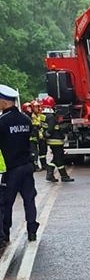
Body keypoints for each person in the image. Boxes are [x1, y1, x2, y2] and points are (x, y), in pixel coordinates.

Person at [0, 84, 39, 246]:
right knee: (29, 199)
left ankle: (5, 234)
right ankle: (32, 231)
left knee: (5, 203)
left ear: (4, 102)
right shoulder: (26, 119)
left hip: (11, 169)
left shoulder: (2, 121)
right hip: (27, 166)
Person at [40, 96, 74, 183]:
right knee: (59, 158)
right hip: (56, 141)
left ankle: (54, 175)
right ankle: (60, 175)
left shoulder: (43, 116)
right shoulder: (51, 116)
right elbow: (51, 129)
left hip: (52, 141)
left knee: (57, 158)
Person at [22, 102, 41, 171]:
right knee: (33, 153)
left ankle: (34, 166)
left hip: (34, 137)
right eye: (28, 107)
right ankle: (35, 166)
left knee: (35, 152)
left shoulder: (32, 115)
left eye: (30, 107)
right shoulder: (26, 117)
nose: (30, 109)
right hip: (30, 138)